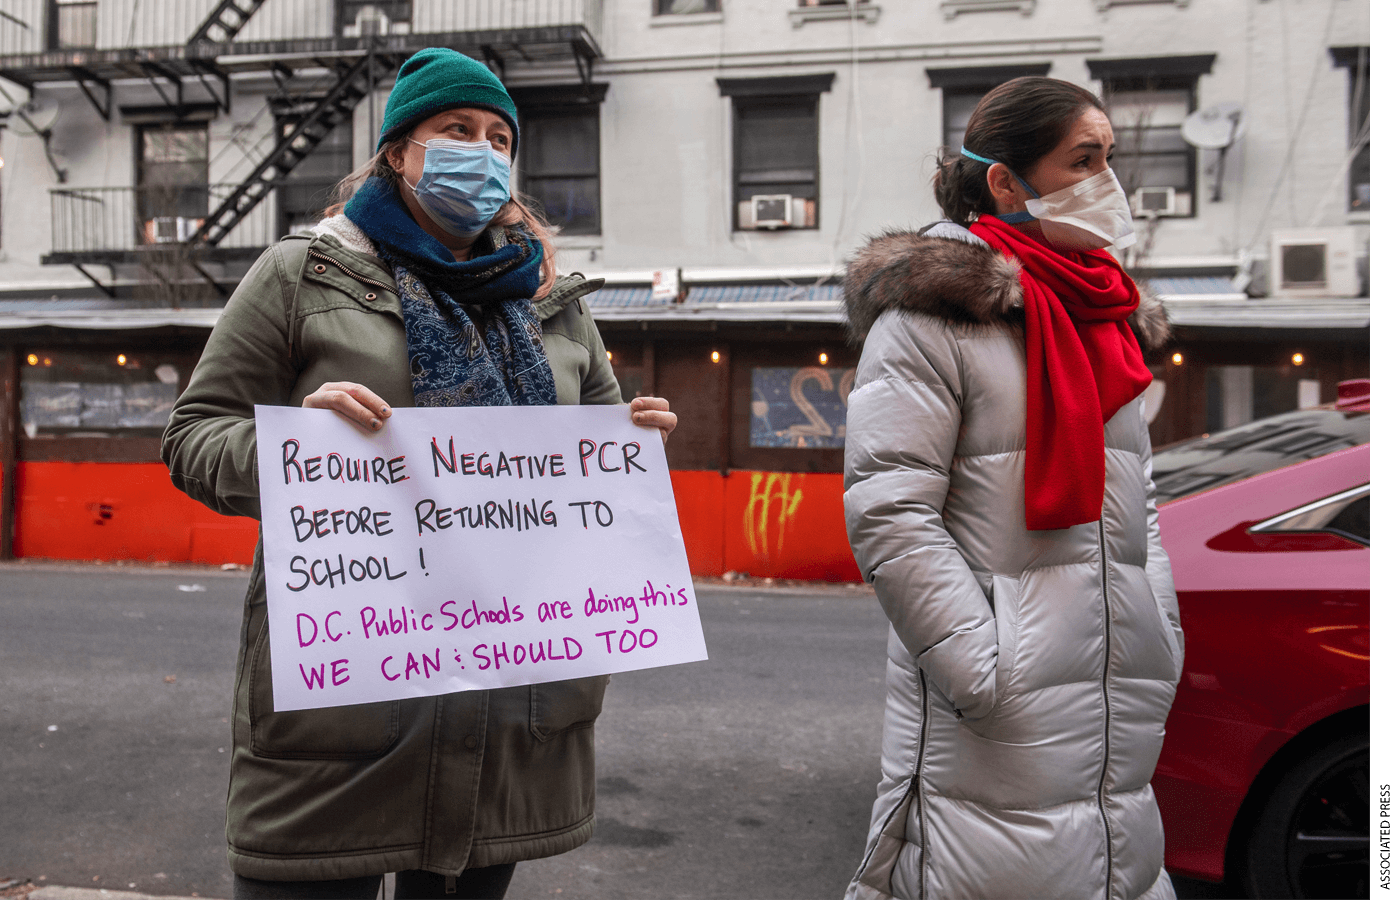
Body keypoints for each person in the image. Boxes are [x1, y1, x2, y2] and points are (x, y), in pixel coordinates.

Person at [162, 48, 676, 900]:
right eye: (457, 130)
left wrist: (629, 445)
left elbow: (593, 474)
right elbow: (193, 436)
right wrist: (302, 456)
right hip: (344, 714)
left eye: (500, 137)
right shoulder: (300, 275)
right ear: (399, 151)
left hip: (509, 706)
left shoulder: (555, 298)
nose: (483, 150)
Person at [840, 76, 1183, 900]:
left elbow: (1141, 506)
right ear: (1006, 180)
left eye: (1111, 159)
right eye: (1084, 160)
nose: (1110, 182)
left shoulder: (1109, 322)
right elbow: (889, 509)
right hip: (996, 700)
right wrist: (982, 667)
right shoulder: (932, 321)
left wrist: (1159, 629)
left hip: (1119, 682)